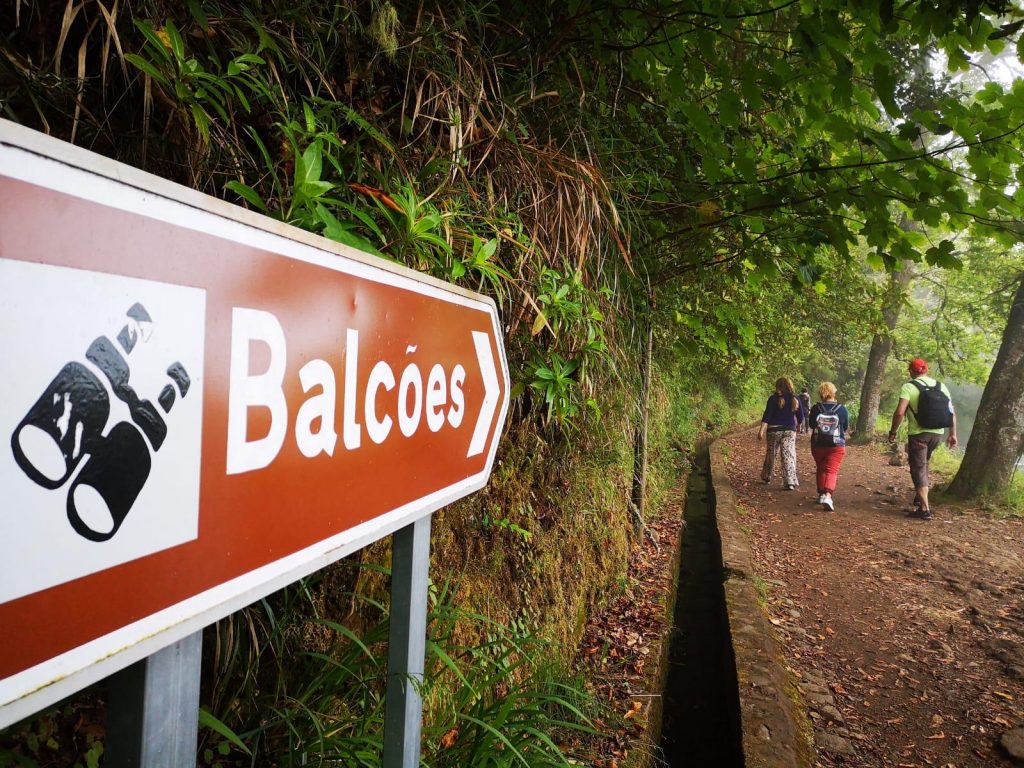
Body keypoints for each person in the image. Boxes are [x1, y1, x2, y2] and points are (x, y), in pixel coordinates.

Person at [888, 358, 958, 520]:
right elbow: (951, 412)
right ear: (926, 370)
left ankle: (925, 509)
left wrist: (893, 431)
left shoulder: (909, 387)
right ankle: (920, 499)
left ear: (911, 371)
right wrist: (952, 434)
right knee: (924, 463)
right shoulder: (941, 386)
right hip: (937, 433)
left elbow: (900, 412)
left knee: (918, 467)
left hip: (918, 434)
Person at [807, 382, 850, 512]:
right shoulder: (842, 409)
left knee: (821, 468)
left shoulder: (816, 408)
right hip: (837, 445)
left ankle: (821, 494)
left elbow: (811, 425)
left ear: (821, 393)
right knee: (831, 470)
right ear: (833, 392)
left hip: (818, 444)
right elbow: (845, 426)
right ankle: (828, 495)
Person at [757, 377, 806, 490]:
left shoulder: (773, 399)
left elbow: (767, 416)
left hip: (774, 430)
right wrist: (798, 426)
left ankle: (767, 476)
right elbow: (801, 416)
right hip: (789, 430)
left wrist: (761, 430)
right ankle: (789, 481)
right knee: (788, 454)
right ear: (790, 386)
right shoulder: (795, 399)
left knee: (771, 453)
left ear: (777, 386)